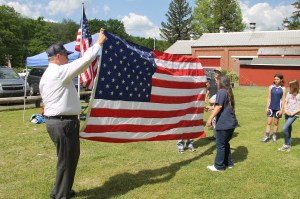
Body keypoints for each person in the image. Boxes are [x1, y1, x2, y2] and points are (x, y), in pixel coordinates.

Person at [39, 29, 107, 199]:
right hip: (63, 123)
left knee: (65, 159)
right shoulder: (58, 72)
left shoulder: (48, 75)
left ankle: (60, 190)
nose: (68, 58)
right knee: (67, 160)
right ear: (57, 57)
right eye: (65, 55)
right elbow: (84, 61)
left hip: (57, 122)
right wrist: (98, 43)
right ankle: (61, 195)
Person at [206, 76, 238, 171]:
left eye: (217, 81)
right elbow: (224, 105)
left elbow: (219, 106)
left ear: (221, 82)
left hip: (224, 124)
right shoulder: (228, 91)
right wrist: (212, 108)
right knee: (225, 143)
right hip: (231, 123)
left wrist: (210, 119)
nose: (216, 83)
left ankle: (219, 166)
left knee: (220, 145)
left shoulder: (221, 91)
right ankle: (229, 163)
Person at [262, 73, 286, 143]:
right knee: (269, 122)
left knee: (276, 123)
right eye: (275, 79)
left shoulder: (283, 88)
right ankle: (266, 136)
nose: (275, 80)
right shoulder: (271, 87)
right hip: (271, 108)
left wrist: (282, 110)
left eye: (277, 79)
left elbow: (284, 100)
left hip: (278, 109)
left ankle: (274, 136)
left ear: (281, 80)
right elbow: (269, 98)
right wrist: (267, 108)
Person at [278, 80, 300, 152]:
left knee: (284, 128)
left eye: (290, 85)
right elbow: (285, 102)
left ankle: (286, 145)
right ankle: (289, 146)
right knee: (288, 129)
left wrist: (293, 113)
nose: (289, 87)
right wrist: (285, 110)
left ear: (295, 86)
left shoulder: (299, 94)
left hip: (294, 114)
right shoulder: (289, 93)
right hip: (287, 113)